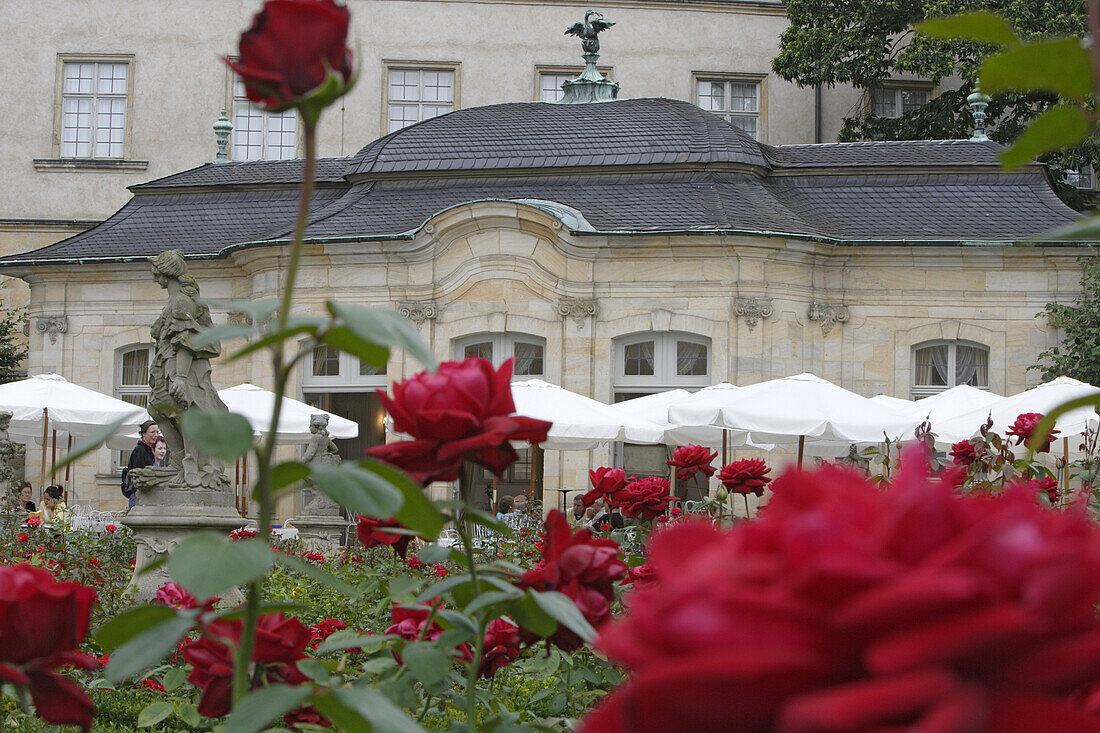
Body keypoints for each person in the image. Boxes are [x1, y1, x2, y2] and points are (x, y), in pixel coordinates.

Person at [123, 420, 159, 509]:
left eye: (157, 432)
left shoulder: (148, 450)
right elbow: (137, 474)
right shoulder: (140, 450)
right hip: (138, 495)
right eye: (152, 432)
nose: (155, 435)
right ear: (144, 433)